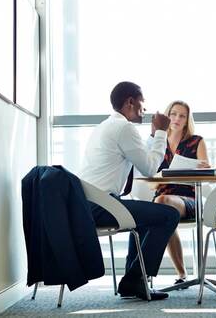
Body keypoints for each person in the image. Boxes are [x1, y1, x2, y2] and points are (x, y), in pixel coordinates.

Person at [78, 81, 180, 301]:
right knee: (168, 215)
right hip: (101, 205)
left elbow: (140, 156)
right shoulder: (124, 128)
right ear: (131, 102)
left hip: (90, 204)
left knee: (145, 216)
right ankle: (135, 279)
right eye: (143, 101)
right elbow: (151, 167)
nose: (145, 107)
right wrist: (162, 132)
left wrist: (154, 135)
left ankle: (134, 281)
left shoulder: (108, 126)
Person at [153, 100, 209, 285]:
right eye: (173, 114)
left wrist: (202, 168)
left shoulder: (197, 141)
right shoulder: (157, 142)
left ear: (187, 120)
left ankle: (180, 273)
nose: (177, 118)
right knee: (161, 206)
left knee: (161, 205)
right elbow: (148, 175)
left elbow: (206, 173)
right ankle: (179, 273)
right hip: (161, 196)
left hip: (189, 198)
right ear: (167, 116)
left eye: (182, 115)